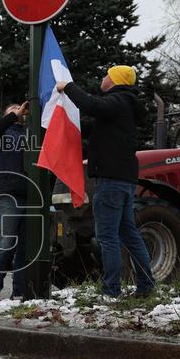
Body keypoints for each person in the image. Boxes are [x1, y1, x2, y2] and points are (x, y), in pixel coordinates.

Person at [56, 66, 155, 298]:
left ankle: (111, 289)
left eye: (107, 74)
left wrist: (67, 87)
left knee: (107, 237)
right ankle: (146, 284)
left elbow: (93, 106)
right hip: (125, 180)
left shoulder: (118, 100)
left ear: (116, 80)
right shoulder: (123, 107)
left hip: (110, 181)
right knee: (128, 233)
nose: (103, 77)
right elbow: (95, 127)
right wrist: (69, 123)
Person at [0, 101, 30, 300]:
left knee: (25, 248)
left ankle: (19, 291)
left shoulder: (29, 134)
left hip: (30, 196)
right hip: (9, 195)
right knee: (6, 243)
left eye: (20, 110)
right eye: (12, 110)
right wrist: (12, 116)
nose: (18, 112)